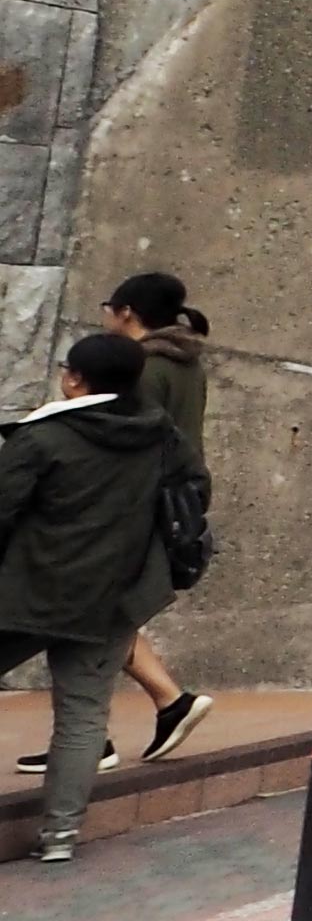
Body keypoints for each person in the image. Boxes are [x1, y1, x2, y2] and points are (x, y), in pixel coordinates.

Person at [1, 331, 185, 863]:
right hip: (114, 596)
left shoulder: (43, 436)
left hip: (30, 591)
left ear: (75, 377)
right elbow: (192, 493)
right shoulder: (160, 435)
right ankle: (59, 836)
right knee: (83, 714)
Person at [18, 274, 210, 775]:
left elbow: (122, 434)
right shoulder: (187, 363)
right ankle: (162, 706)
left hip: (126, 511)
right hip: (164, 506)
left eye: (109, 308)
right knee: (104, 619)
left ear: (126, 313)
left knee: (91, 619)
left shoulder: (141, 370)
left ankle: (110, 729)